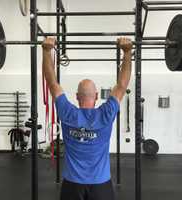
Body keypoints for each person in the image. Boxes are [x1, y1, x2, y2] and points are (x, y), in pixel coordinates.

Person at [42, 37, 132, 200]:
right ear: (97, 96)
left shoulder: (67, 113)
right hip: (101, 184)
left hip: (72, 184)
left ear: (77, 96)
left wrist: (47, 51)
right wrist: (127, 52)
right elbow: (121, 86)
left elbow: (52, 83)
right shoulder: (106, 113)